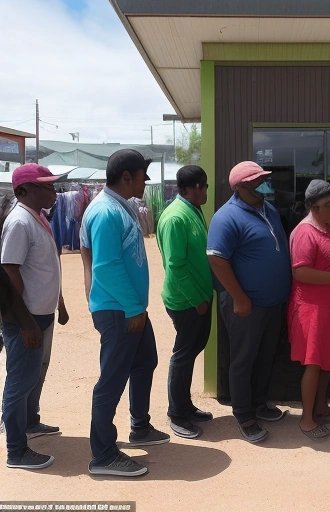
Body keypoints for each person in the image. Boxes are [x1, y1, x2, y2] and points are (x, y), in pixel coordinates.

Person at [80, 149, 169, 477]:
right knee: (111, 380)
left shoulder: (119, 207)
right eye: (142, 176)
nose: (146, 181)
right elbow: (105, 265)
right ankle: (103, 455)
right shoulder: (105, 212)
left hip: (128, 307)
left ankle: (140, 426)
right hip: (119, 310)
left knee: (146, 361)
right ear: (127, 176)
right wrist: (131, 309)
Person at [207, 161, 291, 443]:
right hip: (245, 305)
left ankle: (259, 404)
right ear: (241, 187)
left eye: (264, 179)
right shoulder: (226, 217)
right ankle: (244, 414)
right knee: (243, 359)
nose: (264, 184)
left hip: (273, 303)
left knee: (265, 356)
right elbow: (217, 259)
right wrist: (240, 298)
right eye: (258, 181)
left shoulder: (268, 210)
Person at [1, 163, 69, 470]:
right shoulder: (19, 222)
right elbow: (9, 271)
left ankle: (30, 421)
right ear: (23, 191)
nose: (53, 191)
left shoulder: (38, 217)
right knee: (20, 379)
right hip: (26, 320)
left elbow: (45, 267)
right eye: (46, 186)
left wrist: (60, 302)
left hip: (43, 315)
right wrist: (25, 322)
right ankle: (16, 450)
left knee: (35, 373)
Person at [287, 179, 330, 440]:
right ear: (315, 207)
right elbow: (300, 272)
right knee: (314, 363)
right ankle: (307, 418)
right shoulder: (305, 232)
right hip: (312, 311)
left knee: (326, 363)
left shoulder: (328, 228)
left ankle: (321, 407)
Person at [156, 165, 214, 440]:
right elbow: (175, 266)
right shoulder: (175, 218)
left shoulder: (192, 210)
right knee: (183, 354)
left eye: (205, 185)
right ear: (186, 189)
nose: (204, 191)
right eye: (200, 186)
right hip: (186, 301)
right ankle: (177, 414)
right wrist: (196, 299)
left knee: (191, 351)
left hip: (200, 297)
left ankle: (185, 406)